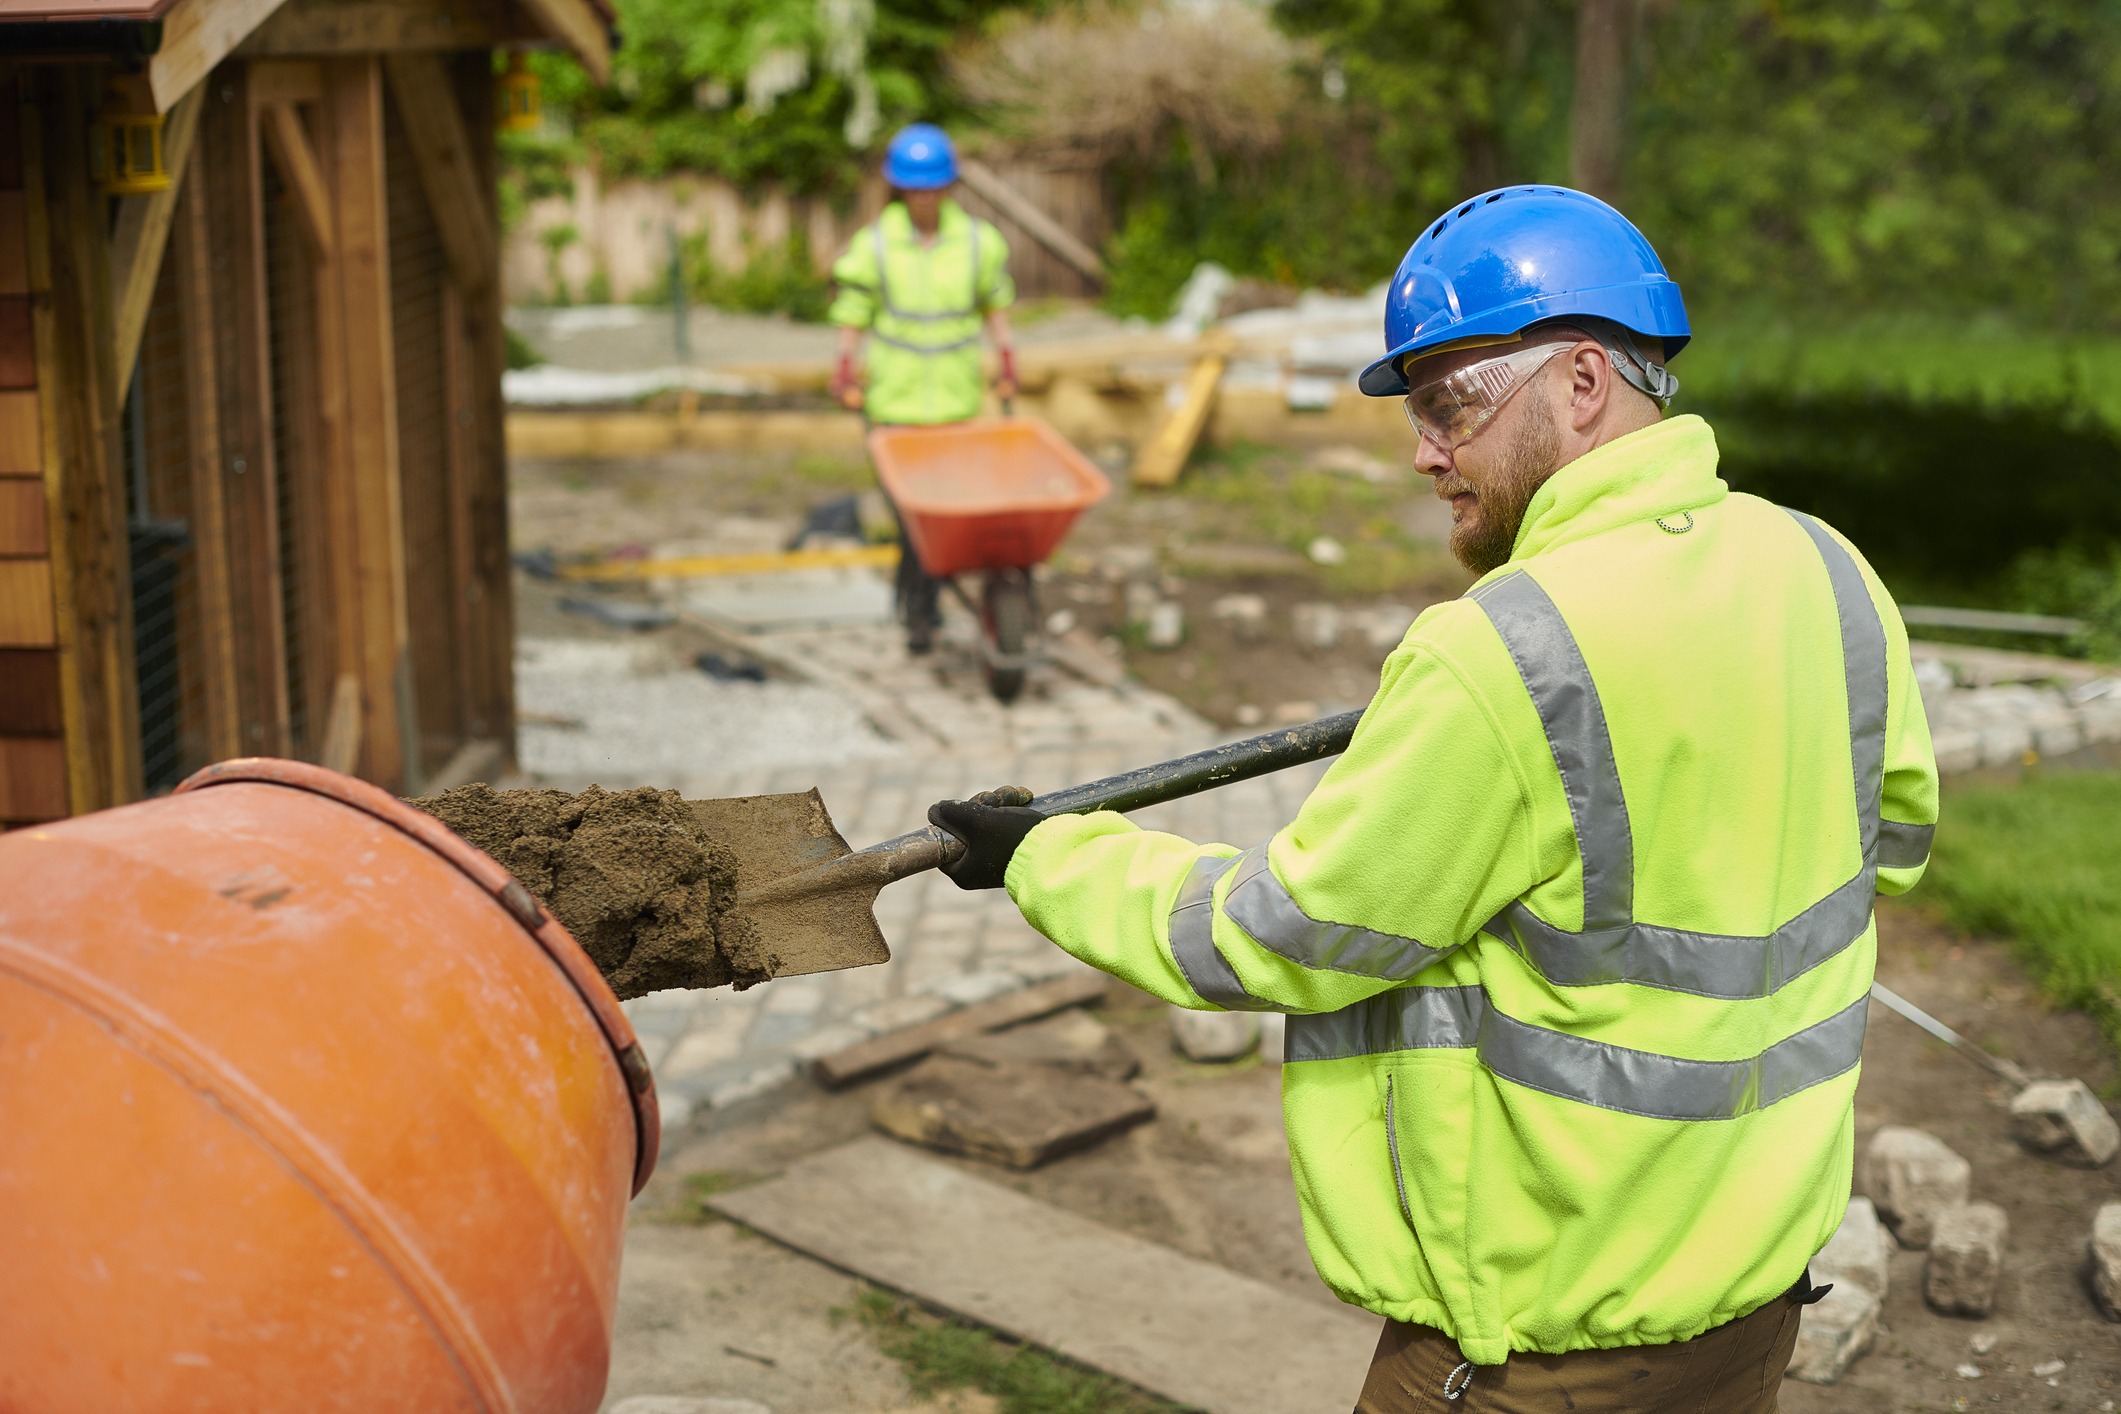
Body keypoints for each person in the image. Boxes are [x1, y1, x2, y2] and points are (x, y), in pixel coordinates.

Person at [921, 187, 1940, 1411]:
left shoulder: (1507, 652)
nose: (1421, 449)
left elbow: (1279, 935)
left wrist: (1045, 858)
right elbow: (1894, 845)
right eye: (1416, 410)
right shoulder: (1828, 570)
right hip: (1752, 1308)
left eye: (1451, 401)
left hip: (1542, 1344)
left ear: (1580, 381)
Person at [828, 123, 1018, 654]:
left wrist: (1006, 353)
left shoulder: (979, 243)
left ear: (948, 186)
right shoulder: (875, 246)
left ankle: (920, 604)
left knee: (945, 517)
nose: (923, 197)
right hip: (895, 404)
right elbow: (853, 310)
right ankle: (919, 608)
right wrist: (845, 361)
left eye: (932, 187)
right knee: (911, 519)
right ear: (899, 189)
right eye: (914, 188)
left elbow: (994, 304)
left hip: (957, 404)